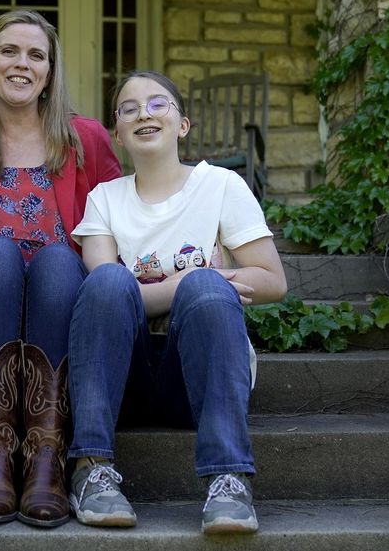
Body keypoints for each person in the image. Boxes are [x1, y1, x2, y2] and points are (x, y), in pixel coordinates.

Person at [66, 70, 287, 533]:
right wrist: (187, 279)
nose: (143, 113)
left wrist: (199, 284)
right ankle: (91, 469)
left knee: (206, 289)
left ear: (182, 124)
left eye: (157, 104)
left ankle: (229, 482)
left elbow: (271, 280)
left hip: (197, 379)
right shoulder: (104, 199)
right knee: (112, 281)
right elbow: (106, 293)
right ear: (118, 133)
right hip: (122, 379)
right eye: (129, 108)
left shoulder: (221, 186)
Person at [0, 10, 122, 527]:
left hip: (61, 304)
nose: (23, 64)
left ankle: (45, 456)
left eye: (37, 55)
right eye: (10, 52)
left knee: (59, 259)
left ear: (50, 71)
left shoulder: (85, 139)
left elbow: (121, 222)